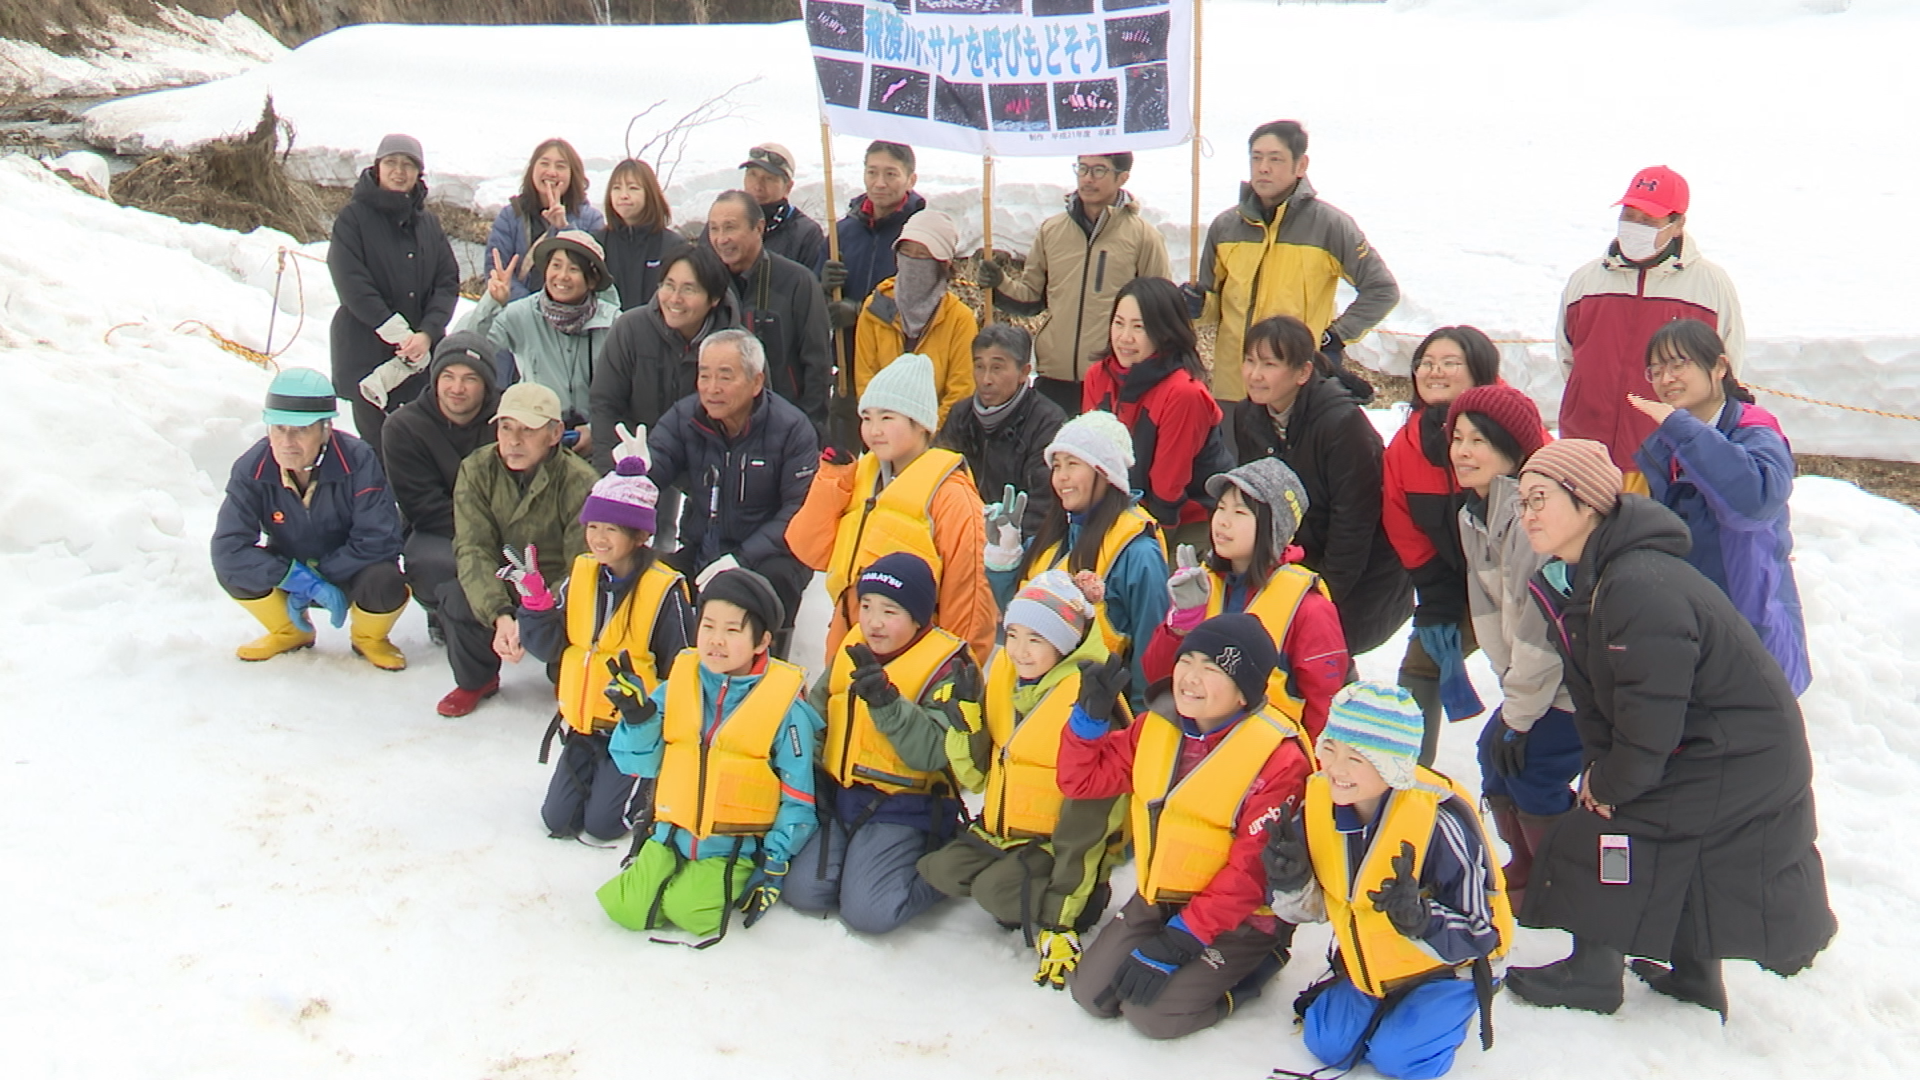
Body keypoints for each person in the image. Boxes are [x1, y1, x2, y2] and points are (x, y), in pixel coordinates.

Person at [1503, 440, 1835, 1019]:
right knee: (1653, 828)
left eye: (1540, 498)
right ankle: (1694, 976)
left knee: (1604, 829)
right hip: (1720, 747)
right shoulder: (1589, 579)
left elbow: (1649, 718)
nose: (1528, 513)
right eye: (1522, 501)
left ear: (1588, 503)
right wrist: (1599, 768)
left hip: (1742, 755)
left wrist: (1609, 786)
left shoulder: (1637, 584)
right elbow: (1601, 701)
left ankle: (1593, 974)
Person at [1062, 614, 1313, 1040]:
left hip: (1239, 918)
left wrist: (1183, 938)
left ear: (1244, 693)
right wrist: (1088, 721)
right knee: (1091, 994)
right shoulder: (1158, 724)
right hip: (1162, 896)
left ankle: (1260, 962)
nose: (1190, 678)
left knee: (1153, 1016)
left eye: (1212, 668)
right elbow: (1081, 780)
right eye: (1186, 660)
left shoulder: (1279, 759)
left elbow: (1251, 873)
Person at [1264, 683, 1514, 1080]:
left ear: (1392, 765)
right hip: (1371, 962)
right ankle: (1378, 995)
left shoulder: (1438, 821)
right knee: (1327, 1043)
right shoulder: (1318, 805)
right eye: (1330, 748)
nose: (1337, 768)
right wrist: (1291, 882)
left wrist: (1421, 918)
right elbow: (1320, 908)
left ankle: (1453, 1005)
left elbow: (1481, 933)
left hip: (1448, 966)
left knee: (1399, 1060)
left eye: (1356, 758)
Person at [918, 571, 1127, 987]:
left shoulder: (1091, 699)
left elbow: (1090, 826)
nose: (1019, 651)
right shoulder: (1008, 676)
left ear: (1064, 643)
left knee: (994, 892)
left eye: (1036, 639)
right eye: (1012, 635)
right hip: (1006, 835)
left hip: (1059, 848)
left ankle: (1075, 902)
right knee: (938, 868)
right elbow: (979, 778)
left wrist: (1061, 920)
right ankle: (1012, 882)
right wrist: (966, 725)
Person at [595, 568, 822, 941]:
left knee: (690, 912)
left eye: (732, 630)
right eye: (708, 626)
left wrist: (774, 863)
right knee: (626, 909)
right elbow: (637, 763)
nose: (716, 640)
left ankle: (698, 883)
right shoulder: (676, 687)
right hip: (671, 834)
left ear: (762, 641)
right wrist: (638, 719)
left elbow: (798, 797)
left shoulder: (786, 707)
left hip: (732, 846)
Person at [783, 554, 983, 934]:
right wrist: (811, 774)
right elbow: (819, 715)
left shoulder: (949, 667)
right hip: (844, 797)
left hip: (906, 806)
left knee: (868, 913)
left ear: (918, 617)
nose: (873, 621)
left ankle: (951, 864)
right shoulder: (853, 647)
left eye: (889, 611)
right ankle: (862, 862)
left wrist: (887, 703)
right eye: (866, 606)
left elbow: (934, 753)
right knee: (804, 891)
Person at [511, 452, 691, 841]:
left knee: (603, 826)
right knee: (557, 820)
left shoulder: (664, 591)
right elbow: (551, 648)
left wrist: (654, 721)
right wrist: (536, 605)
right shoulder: (581, 575)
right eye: (593, 526)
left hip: (634, 730)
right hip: (584, 726)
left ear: (640, 536)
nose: (598, 538)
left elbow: (683, 669)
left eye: (612, 528)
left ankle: (652, 779)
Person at [1446, 383, 1578, 912]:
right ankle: (1525, 862)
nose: (1462, 451)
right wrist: (1513, 701)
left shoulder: (1528, 516)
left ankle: (1562, 880)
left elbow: (1538, 628)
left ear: (1512, 449)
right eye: (1457, 438)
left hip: (1574, 684)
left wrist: (1520, 717)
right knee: (1492, 753)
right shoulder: (1474, 515)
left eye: (1478, 440)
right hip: (1531, 680)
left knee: (1534, 766)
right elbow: (1489, 615)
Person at [1630, 319, 1808, 694]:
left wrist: (1682, 429)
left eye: (1678, 364)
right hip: (1691, 621)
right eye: (1655, 370)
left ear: (1719, 367)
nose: (1666, 379)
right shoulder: (1664, 444)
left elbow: (1752, 504)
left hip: (1752, 619)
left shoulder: (1755, 431)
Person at [787, 352, 996, 666]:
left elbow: (970, 598)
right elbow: (809, 550)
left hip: (914, 658)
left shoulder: (952, 497)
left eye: (887, 418)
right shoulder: (860, 475)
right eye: (867, 418)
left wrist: (956, 669)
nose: (874, 430)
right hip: (849, 646)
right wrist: (830, 482)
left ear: (921, 424)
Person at [1228, 315, 1412, 656]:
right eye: (1250, 361)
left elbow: (1354, 524)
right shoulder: (1248, 416)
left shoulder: (1342, 425)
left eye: (1269, 364)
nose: (1255, 374)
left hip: (1358, 578)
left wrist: (1318, 595)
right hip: (1294, 564)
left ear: (1303, 372)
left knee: (1322, 661)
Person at [1558, 165, 1745, 484]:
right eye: (1629, 216)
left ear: (1678, 224)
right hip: (1584, 456)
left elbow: (1726, 371)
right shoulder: (1585, 281)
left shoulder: (1710, 286)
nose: (1635, 227)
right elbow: (1568, 359)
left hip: (1663, 462)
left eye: (1648, 220)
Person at [1189, 120, 1398, 404]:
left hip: (1295, 391)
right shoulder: (1226, 227)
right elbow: (1213, 305)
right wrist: (1197, 305)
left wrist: (1335, 337)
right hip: (1233, 390)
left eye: (1275, 159)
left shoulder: (1329, 226)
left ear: (1301, 165)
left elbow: (1382, 289)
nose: (1263, 168)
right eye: (1256, 158)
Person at [212, 367, 408, 669]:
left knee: (386, 581)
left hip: (350, 572)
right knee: (233, 568)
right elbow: (228, 547)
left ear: (326, 429)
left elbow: (380, 538)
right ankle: (290, 631)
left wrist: (322, 575)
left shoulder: (358, 459)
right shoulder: (251, 468)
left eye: (301, 430)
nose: (287, 441)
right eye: (279, 428)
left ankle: (369, 638)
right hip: (289, 573)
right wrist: (296, 578)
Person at [1141, 458, 1349, 739]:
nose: (1223, 521)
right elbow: (1157, 677)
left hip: (1268, 759)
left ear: (1272, 528)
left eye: (1240, 512)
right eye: (1221, 508)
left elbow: (1324, 712)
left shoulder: (1308, 608)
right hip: (1195, 749)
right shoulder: (1200, 584)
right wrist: (1181, 625)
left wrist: (1300, 764)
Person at [648, 329, 819, 658]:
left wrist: (742, 559)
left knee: (775, 580)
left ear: (756, 382)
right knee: (651, 577)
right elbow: (658, 463)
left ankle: (768, 665)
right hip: (703, 545)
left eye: (725, 377)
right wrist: (635, 471)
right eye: (704, 375)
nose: (712, 388)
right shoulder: (685, 417)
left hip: (770, 554)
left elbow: (797, 511)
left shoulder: (792, 429)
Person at [438, 383, 599, 717]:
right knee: (456, 595)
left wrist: (536, 612)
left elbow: (581, 564)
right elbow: (473, 547)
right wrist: (499, 614)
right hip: (503, 580)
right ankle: (477, 679)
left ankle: (567, 673)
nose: (513, 440)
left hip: (554, 590)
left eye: (528, 430)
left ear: (555, 434)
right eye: (506, 427)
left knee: (584, 608)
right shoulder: (476, 469)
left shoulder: (580, 481)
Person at [989, 410, 1169, 704]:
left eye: (1073, 464)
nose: (1062, 477)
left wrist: (1139, 722)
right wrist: (1003, 559)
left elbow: (1150, 650)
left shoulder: (1138, 553)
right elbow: (1021, 619)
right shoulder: (1053, 539)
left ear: (1106, 472)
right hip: (1034, 701)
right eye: (1057, 465)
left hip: (1096, 710)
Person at [1381, 327, 1502, 762]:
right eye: (1427, 363)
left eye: (1451, 363)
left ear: (1479, 371)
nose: (1435, 372)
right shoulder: (1406, 446)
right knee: (1422, 663)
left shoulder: (1511, 426)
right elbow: (1402, 523)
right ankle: (1404, 774)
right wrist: (1435, 590)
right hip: (1453, 583)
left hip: (1522, 583)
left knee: (1539, 675)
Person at [975, 152, 1172, 416]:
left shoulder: (1143, 238)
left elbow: (1160, 312)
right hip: (1054, 378)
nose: (1088, 178)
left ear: (1122, 178)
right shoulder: (1052, 231)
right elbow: (1031, 298)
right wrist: (1000, 283)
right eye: (1082, 168)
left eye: (1099, 170)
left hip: (1114, 379)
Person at [326, 133, 460, 456]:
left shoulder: (428, 224)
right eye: (392, 162)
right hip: (367, 351)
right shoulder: (353, 218)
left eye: (408, 165)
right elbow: (350, 279)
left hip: (420, 356)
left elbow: (447, 282)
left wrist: (427, 333)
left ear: (418, 173)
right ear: (378, 167)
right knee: (377, 445)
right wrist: (392, 328)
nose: (399, 171)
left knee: (419, 443)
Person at [1082, 276, 1231, 547]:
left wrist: (1148, 547)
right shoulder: (1098, 376)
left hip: (1186, 520)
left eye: (1138, 327)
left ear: (1164, 332)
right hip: (1120, 511)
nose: (1125, 337)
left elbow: (1168, 486)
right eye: (1119, 323)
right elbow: (1090, 457)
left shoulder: (1183, 392)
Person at [379, 331, 499, 643]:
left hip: (507, 523)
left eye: (470, 378)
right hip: (440, 528)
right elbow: (423, 506)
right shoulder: (404, 427)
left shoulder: (507, 420)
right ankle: (444, 610)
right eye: (448, 376)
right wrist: (482, 538)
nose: (457, 388)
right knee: (434, 562)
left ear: (487, 385)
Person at [460, 230, 619, 457]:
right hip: (534, 440)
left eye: (573, 269)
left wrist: (597, 431)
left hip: (596, 445)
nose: (562, 276)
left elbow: (628, 391)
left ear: (592, 279)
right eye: (556, 266)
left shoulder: (614, 323)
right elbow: (467, 350)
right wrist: (491, 303)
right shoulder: (521, 314)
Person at [589, 245, 740, 473]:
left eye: (689, 289)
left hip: (710, 471)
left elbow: (752, 418)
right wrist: (613, 477)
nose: (675, 299)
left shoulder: (736, 347)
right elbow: (605, 405)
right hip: (637, 463)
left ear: (714, 298)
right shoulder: (630, 329)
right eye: (669, 286)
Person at [824, 140, 928, 450]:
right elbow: (814, 305)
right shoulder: (844, 232)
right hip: (849, 369)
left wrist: (861, 311)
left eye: (890, 174)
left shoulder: (919, 234)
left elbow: (923, 303)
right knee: (844, 463)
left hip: (901, 372)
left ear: (910, 179)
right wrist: (822, 285)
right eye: (872, 172)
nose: (879, 183)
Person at [706, 190, 833, 431]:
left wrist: (810, 427)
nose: (721, 239)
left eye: (730, 228)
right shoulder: (708, 282)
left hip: (785, 423)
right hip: (721, 425)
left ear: (759, 228)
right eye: (714, 229)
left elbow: (817, 363)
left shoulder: (797, 282)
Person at [935, 324, 1066, 540]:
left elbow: (1043, 506)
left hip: (1018, 542)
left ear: (1024, 372)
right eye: (979, 366)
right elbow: (939, 478)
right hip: (962, 534)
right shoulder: (960, 415)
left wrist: (1004, 543)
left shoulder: (1047, 422)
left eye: (997, 368)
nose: (986, 379)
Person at [852, 210, 978, 427]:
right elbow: (866, 379)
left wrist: (924, 433)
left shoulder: (959, 320)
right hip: (881, 433)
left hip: (937, 437)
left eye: (922, 255)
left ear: (942, 263)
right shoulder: (875, 308)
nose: (912, 262)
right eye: (906, 252)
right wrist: (882, 426)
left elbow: (961, 391)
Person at [485, 138, 605, 302]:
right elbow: (496, 268)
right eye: (544, 164)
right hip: (515, 309)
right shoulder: (511, 215)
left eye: (560, 166)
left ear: (573, 174)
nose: (551, 172)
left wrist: (564, 228)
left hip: (569, 312)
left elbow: (591, 273)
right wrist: (530, 308)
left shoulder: (591, 219)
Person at [600, 157, 692, 312]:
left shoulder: (673, 245)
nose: (623, 195)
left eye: (633, 188)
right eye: (616, 188)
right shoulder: (598, 243)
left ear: (649, 193)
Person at [739, 141, 826, 273]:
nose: (757, 186)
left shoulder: (805, 234)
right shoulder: (726, 222)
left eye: (769, 178)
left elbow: (811, 282)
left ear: (788, 187)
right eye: (752, 175)